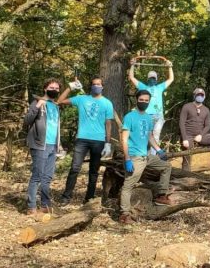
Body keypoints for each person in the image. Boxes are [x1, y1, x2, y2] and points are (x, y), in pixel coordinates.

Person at [119, 90, 177, 224]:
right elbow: (124, 139)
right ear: (136, 99)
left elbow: (150, 136)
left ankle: (161, 196)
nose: (144, 102)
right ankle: (124, 215)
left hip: (146, 156)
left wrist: (159, 150)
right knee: (128, 186)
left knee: (166, 166)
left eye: (146, 100)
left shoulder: (148, 118)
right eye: (141, 100)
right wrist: (127, 159)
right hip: (134, 157)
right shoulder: (129, 117)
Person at [57, 77, 117, 204]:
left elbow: (108, 124)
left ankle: (89, 198)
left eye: (99, 84)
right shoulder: (82, 99)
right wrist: (70, 87)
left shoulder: (107, 103)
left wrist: (107, 142)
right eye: (94, 84)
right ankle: (66, 197)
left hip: (99, 140)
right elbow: (59, 101)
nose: (96, 86)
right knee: (75, 168)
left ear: (102, 87)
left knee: (93, 171)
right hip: (82, 139)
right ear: (91, 86)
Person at [23, 79, 63, 216]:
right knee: (37, 176)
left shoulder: (55, 106)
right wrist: (38, 106)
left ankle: (45, 205)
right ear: (45, 89)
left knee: (47, 177)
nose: (54, 90)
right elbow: (27, 120)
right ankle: (31, 207)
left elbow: (56, 127)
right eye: (51, 87)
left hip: (53, 146)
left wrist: (59, 145)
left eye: (57, 88)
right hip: (40, 145)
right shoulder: (37, 102)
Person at [128, 56, 174, 144]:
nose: (152, 80)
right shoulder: (143, 87)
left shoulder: (160, 87)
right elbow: (132, 77)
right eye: (151, 78)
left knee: (156, 134)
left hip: (159, 115)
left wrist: (170, 67)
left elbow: (171, 79)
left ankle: (153, 155)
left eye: (154, 78)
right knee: (144, 135)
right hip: (146, 115)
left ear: (156, 80)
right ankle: (143, 154)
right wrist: (132, 65)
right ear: (148, 79)